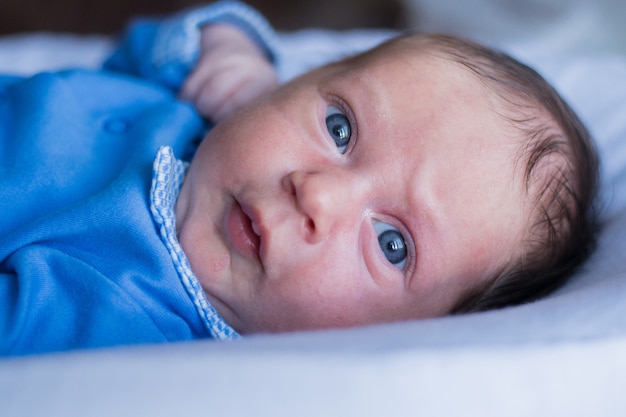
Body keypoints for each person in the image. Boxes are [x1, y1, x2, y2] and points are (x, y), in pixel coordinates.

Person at [0, 1, 598, 356]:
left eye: (393, 245)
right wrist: (231, 51)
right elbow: (142, 50)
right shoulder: (209, 113)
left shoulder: (122, 323)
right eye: (340, 127)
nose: (317, 191)